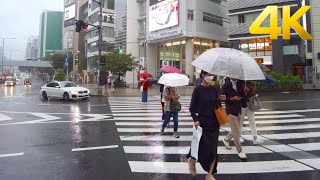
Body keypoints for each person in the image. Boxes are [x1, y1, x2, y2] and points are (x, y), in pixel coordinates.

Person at [187, 70, 222, 180]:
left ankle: (210, 174)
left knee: (213, 149)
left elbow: (217, 105)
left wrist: (220, 100)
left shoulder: (214, 89)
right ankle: (192, 160)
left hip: (214, 123)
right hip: (203, 123)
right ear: (203, 75)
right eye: (209, 74)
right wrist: (196, 119)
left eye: (212, 74)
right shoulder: (197, 90)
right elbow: (192, 109)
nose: (211, 77)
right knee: (200, 147)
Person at [221, 78, 248, 160]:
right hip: (230, 110)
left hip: (238, 110)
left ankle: (226, 139)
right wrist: (231, 99)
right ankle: (239, 151)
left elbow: (242, 97)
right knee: (236, 131)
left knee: (236, 130)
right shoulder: (225, 85)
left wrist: (245, 92)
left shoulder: (241, 83)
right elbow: (222, 98)